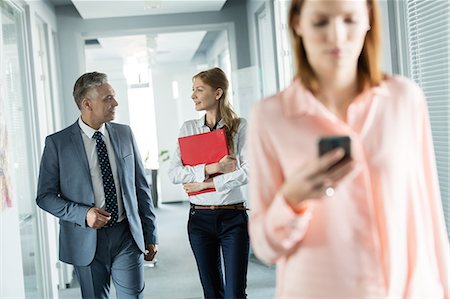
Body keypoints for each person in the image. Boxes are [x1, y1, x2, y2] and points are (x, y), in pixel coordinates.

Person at [248, 0, 449, 298]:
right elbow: (266, 249)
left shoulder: (404, 99)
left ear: (368, 18)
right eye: (321, 22)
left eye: (349, 20)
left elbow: (428, 212)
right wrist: (293, 198)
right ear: (297, 23)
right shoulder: (270, 116)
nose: (337, 37)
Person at [36, 72, 158, 299]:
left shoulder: (124, 133)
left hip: (126, 234)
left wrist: (150, 234)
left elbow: (141, 188)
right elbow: (45, 196)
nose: (115, 103)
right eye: (108, 98)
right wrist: (84, 214)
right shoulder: (57, 143)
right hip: (86, 239)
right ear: (87, 103)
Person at [168, 67, 249, 299]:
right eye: (193, 90)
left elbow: (248, 171)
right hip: (200, 220)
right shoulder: (188, 129)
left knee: (235, 293)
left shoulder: (240, 127)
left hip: (233, 218)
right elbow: (174, 173)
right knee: (212, 292)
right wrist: (213, 169)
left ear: (218, 93)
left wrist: (203, 185)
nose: (193, 95)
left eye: (199, 89)